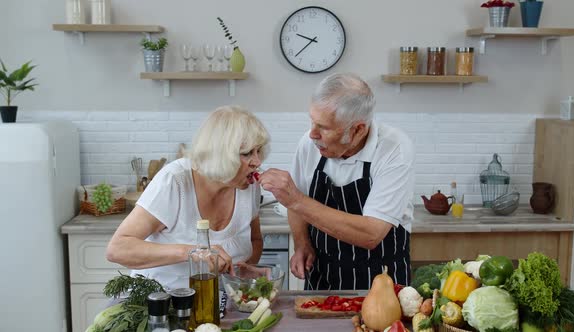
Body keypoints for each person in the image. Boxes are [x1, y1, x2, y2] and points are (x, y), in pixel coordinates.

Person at [259, 73, 415, 290]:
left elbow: (371, 234)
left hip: (381, 282)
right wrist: (302, 244)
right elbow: (296, 201)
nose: (313, 134)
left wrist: (296, 201)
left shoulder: (393, 149)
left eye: (323, 127)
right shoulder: (310, 143)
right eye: (312, 121)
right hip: (322, 278)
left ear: (358, 129)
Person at [106, 105, 270, 290]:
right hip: (158, 303)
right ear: (221, 154)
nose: (257, 162)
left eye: (259, 151)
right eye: (247, 153)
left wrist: (242, 271)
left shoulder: (248, 185)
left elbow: (255, 240)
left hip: (216, 304)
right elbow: (117, 249)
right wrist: (192, 253)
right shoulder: (175, 181)